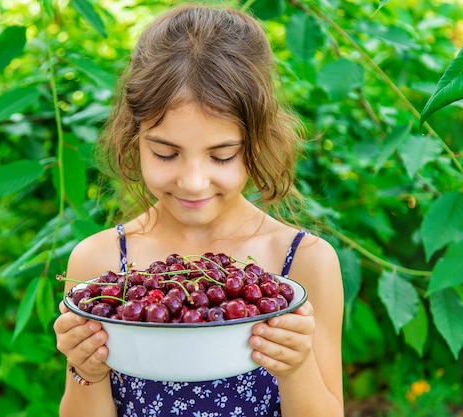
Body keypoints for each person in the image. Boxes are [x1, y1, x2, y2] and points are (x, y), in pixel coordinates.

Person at [53, 3, 344, 417]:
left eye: (221, 156)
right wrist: (87, 370)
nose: (192, 181)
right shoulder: (101, 267)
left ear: (257, 143)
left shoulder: (303, 264)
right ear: (134, 138)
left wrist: (296, 369)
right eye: (166, 153)